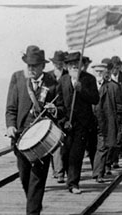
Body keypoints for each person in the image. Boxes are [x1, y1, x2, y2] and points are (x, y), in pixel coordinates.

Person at [5, 45, 65, 215]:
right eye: (28, 65)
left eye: (34, 66)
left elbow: (63, 109)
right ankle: (34, 204)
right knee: (24, 175)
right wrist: (10, 126)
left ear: (42, 67)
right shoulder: (17, 78)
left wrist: (54, 110)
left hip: (42, 138)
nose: (30, 69)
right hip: (21, 137)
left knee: (38, 176)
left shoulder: (53, 82)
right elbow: (10, 108)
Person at [58, 52, 100, 194]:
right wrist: (62, 120)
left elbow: (95, 99)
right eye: (71, 65)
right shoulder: (63, 80)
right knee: (64, 153)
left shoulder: (89, 79)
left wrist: (81, 89)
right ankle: (64, 173)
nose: (74, 67)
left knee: (76, 154)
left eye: (77, 64)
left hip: (82, 124)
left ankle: (73, 184)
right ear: (67, 67)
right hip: (65, 124)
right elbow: (59, 102)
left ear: (82, 65)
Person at [91, 62, 122, 182]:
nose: (99, 74)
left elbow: (119, 106)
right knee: (91, 148)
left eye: (102, 71)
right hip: (89, 121)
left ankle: (98, 173)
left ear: (106, 73)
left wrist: (120, 122)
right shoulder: (88, 86)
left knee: (103, 146)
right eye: (97, 72)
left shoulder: (113, 87)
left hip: (105, 122)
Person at [47, 50, 68, 183]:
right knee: (51, 145)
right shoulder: (47, 76)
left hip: (63, 113)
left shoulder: (67, 75)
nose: (58, 65)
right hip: (49, 115)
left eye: (60, 63)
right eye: (56, 63)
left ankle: (60, 172)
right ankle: (56, 170)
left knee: (61, 145)